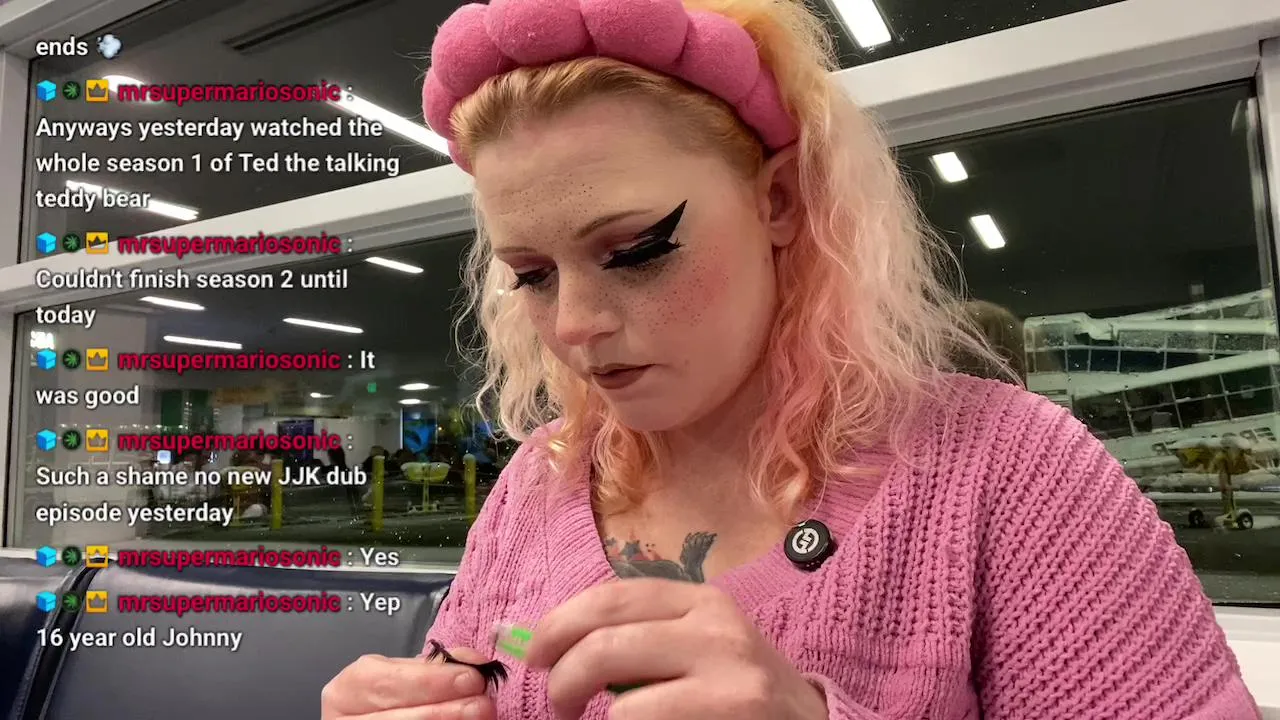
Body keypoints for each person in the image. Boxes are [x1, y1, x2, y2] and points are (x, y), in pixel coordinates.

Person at [323, 0, 1259, 718]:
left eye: (637, 251)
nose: (572, 326)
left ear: (777, 202)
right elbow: (476, 667)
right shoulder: (541, 483)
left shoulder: (1008, 475)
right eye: (531, 275)